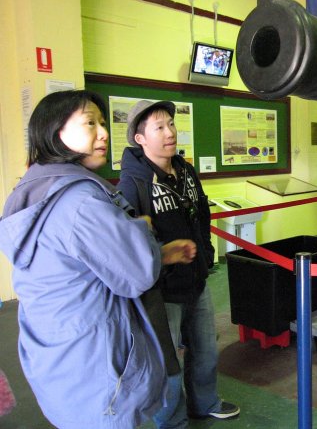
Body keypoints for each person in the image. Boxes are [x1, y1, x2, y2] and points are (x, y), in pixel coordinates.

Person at [0, 90, 197, 429]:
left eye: (103, 123)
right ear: (54, 133)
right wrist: (140, 230)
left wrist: (151, 246)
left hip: (59, 360)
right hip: (98, 367)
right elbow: (136, 273)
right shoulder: (82, 201)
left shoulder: (32, 191)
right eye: (90, 123)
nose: (103, 132)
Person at [118, 100, 240, 420]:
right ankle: (172, 419)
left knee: (205, 349)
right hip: (163, 289)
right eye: (159, 127)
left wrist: (207, 255)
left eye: (171, 124)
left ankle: (205, 402)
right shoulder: (133, 183)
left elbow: (201, 213)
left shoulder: (185, 170)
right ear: (140, 138)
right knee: (168, 358)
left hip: (196, 279)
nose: (170, 132)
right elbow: (131, 239)